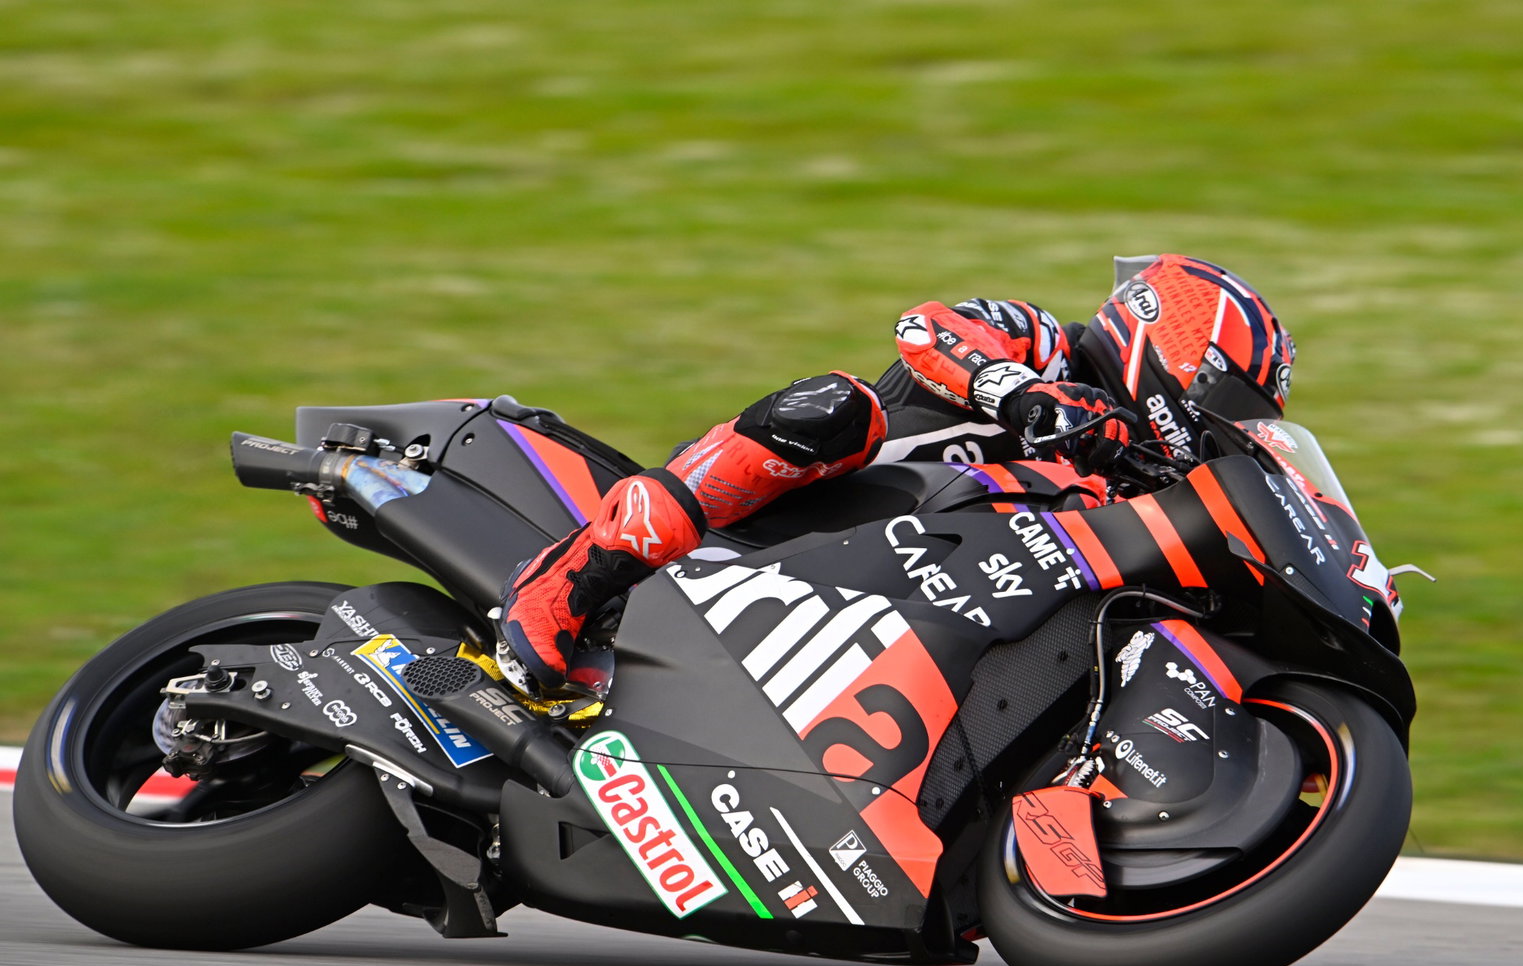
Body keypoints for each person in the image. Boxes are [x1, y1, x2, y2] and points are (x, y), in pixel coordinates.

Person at [495, 254, 1296, 693]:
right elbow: (925, 329)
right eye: (1223, 397)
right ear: (1175, 346)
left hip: (905, 603)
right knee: (837, 406)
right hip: (811, 511)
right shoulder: (1046, 342)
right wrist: (1018, 394)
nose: (1219, 423)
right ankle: (568, 580)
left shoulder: (1137, 476)